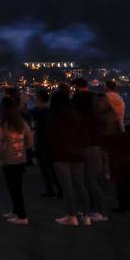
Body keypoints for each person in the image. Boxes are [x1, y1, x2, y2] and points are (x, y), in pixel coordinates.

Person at [49, 88, 90, 225]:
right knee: (80, 185)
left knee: (67, 187)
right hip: (77, 154)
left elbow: (52, 137)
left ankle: (71, 216)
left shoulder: (55, 117)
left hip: (61, 154)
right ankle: (86, 216)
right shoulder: (76, 115)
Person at [0, 96, 34, 225]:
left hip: (8, 159)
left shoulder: (2, 124)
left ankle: (22, 216)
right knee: (17, 187)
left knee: (13, 187)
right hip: (20, 158)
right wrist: (23, 149)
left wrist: (1, 151)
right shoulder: (22, 123)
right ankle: (16, 211)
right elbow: (30, 141)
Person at [71, 82, 107, 223]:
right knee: (90, 181)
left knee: (88, 181)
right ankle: (94, 209)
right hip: (94, 147)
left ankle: (99, 210)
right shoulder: (95, 117)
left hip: (86, 147)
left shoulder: (80, 119)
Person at [29, 89, 62, 199]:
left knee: (46, 168)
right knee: (51, 168)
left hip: (43, 143)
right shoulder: (49, 110)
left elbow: (27, 112)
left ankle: (53, 190)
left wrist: (24, 102)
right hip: (50, 142)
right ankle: (57, 190)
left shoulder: (40, 112)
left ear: (39, 99)